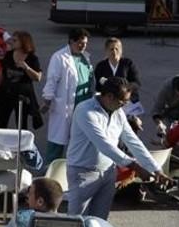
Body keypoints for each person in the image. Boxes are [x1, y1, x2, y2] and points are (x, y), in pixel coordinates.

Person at [66, 77, 169, 219]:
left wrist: (156, 169)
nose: (125, 105)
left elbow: (133, 141)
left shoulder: (118, 112)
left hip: (108, 173)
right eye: (123, 102)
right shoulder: (85, 111)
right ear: (109, 96)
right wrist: (135, 166)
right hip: (83, 173)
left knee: (100, 222)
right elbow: (104, 145)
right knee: (77, 223)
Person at [41, 27, 94, 162]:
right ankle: (50, 170)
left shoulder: (85, 58)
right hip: (65, 106)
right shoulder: (59, 57)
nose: (83, 46)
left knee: (79, 142)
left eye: (85, 43)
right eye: (80, 43)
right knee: (57, 142)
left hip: (83, 107)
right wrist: (47, 100)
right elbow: (52, 80)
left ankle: (72, 168)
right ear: (71, 41)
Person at [0, 31, 43, 130]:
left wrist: (26, 68)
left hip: (22, 96)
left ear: (23, 42)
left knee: (21, 124)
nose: (11, 42)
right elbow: (3, 73)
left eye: (15, 40)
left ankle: (21, 144)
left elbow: (38, 78)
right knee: (1, 122)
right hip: (5, 93)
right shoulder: (9, 55)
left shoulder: (32, 58)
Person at [94, 37, 141, 103]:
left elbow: (137, 83)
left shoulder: (128, 63)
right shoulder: (101, 66)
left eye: (117, 49)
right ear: (106, 50)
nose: (114, 51)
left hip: (127, 101)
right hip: (109, 101)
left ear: (121, 50)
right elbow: (98, 87)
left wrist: (125, 88)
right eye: (111, 49)